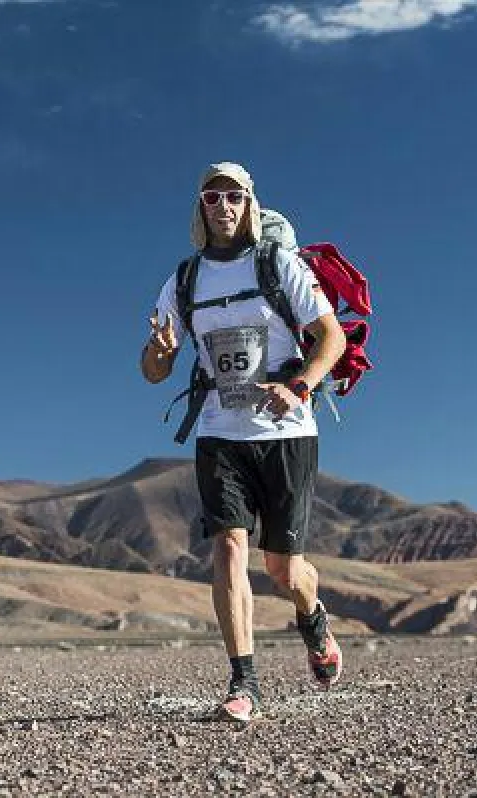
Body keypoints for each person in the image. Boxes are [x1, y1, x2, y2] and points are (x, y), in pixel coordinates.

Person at [140, 162, 347, 723]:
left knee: (284, 570)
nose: (223, 205)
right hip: (218, 431)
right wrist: (161, 349)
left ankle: (313, 620)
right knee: (229, 544)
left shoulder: (278, 266)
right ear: (200, 208)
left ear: (249, 204)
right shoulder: (183, 281)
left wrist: (299, 385)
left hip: (287, 434)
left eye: (233, 195)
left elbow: (331, 336)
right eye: (212, 196)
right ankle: (244, 681)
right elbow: (153, 371)